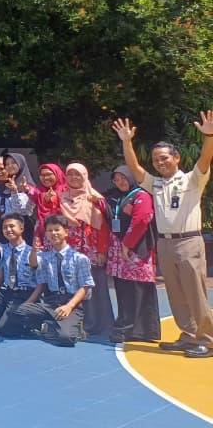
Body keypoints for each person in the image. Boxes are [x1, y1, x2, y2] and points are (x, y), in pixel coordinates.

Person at [114, 115, 213, 357]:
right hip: (165, 243)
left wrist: (209, 136)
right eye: (156, 160)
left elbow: (205, 158)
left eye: (165, 158)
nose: (160, 162)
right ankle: (188, 335)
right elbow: (135, 169)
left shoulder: (192, 179)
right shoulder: (155, 183)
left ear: (176, 158)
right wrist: (127, 142)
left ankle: (208, 340)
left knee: (195, 293)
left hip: (188, 242)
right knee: (175, 294)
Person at [0, 215, 94, 347]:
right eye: (49, 230)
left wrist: (69, 306)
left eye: (57, 230)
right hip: (50, 303)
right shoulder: (44, 257)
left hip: (70, 303)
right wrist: (33, 250)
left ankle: (68, 329)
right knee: (15, 312)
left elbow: (86, 286)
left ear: (66, 232)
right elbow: (34, 266)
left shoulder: (79, 258)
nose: (53, 233)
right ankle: (48, 325)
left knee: (66, 338)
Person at [103, 166, 160, 343]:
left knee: (137, 290)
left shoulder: (141, 196)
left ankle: (134, 329)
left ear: (131, 177)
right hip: (121, 253)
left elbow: (141, 221)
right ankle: (132, 328)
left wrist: (127, 244)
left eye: (123, 177)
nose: (120, 182)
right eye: (116, 179)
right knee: (124, 290)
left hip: (135, 251)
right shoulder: (118, 197)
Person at [59, 163, 112, 336]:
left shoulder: (95, 198)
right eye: (70, 174)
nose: (74, 178)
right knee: (72, 286)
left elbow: (103, 227)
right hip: (70, 250)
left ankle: (98, 325)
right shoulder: (61, 197)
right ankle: (76, 325)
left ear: (85, 176)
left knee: (94, 288)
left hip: (92, 250)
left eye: (78, 174)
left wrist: (102, 250)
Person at [0, 213, 40, 333]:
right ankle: (6, 317)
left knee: (4, 329)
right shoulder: (4, 249)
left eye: (12, 226)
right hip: (8, 292)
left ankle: (33, 324)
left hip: (25, 294)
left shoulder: (31, 251)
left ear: (21, 228)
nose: (8, 230)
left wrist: (28, 302)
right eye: (5, 227)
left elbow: (37, 272)